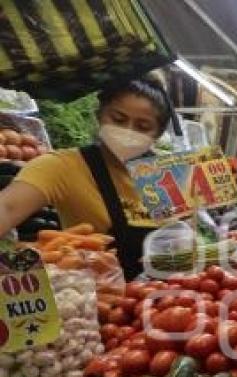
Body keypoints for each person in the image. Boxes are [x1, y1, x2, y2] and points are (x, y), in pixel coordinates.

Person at [0, 75, 175, 279]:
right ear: (100, 115)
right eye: (118, 119)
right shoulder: (63, 166)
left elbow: (183, 240)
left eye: (143, 127)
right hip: (91, 299)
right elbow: (7, 207)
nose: (128, 131)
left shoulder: (169, 174)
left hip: (161, 302)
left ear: (157, 133)